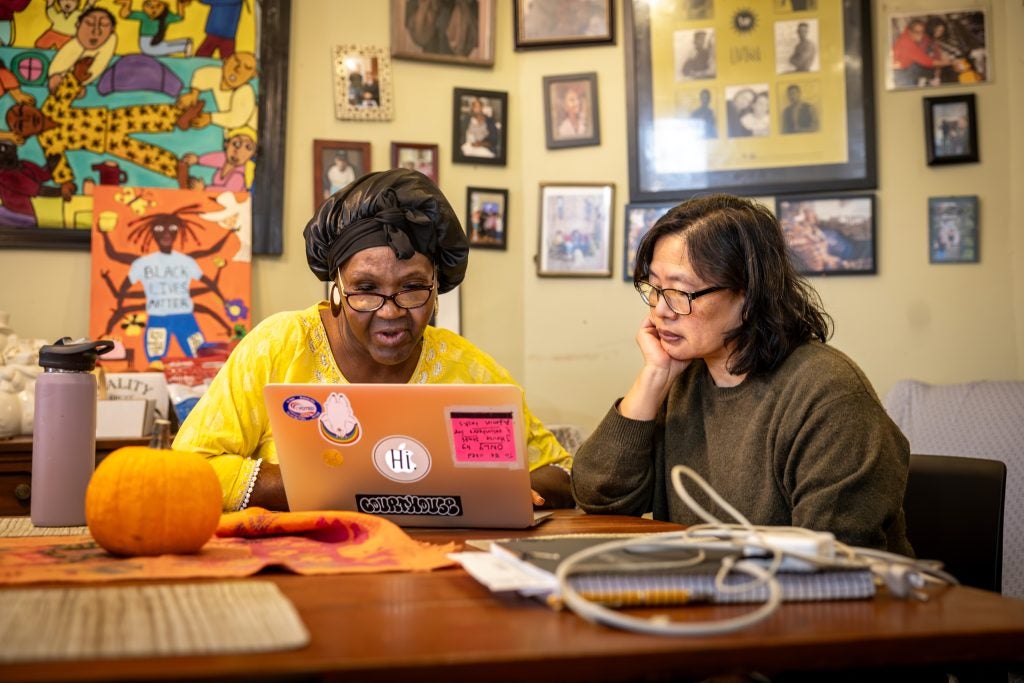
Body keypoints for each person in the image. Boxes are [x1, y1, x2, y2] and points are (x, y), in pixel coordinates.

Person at [173, 169, 573, 512]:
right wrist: (337, 482)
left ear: (437, 289)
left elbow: (561, 473)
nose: (390, 311)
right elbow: (192, 466)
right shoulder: (278, 347)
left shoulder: (465, 370)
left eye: (413, 287)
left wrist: (501, 486)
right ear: (337, 287)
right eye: (365, 288)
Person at [570, 194, 912, 554]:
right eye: (654, 288)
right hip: (707, 592)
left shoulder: (829, 396)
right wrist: (654, 376)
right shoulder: (683, 378)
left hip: (816, 602)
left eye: (681, 292)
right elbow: (599, 498)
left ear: (749, 295)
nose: (661, 310)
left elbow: (829, 561)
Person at [891, 18, 949, 88]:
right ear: (910, 32)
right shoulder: (908, 44)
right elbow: (927, 62)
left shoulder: (912, 33)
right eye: (917, 32)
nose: (921, 35)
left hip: (910, 68)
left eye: (922, 32)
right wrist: (949, 63)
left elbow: (935, 56)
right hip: (902, 73)